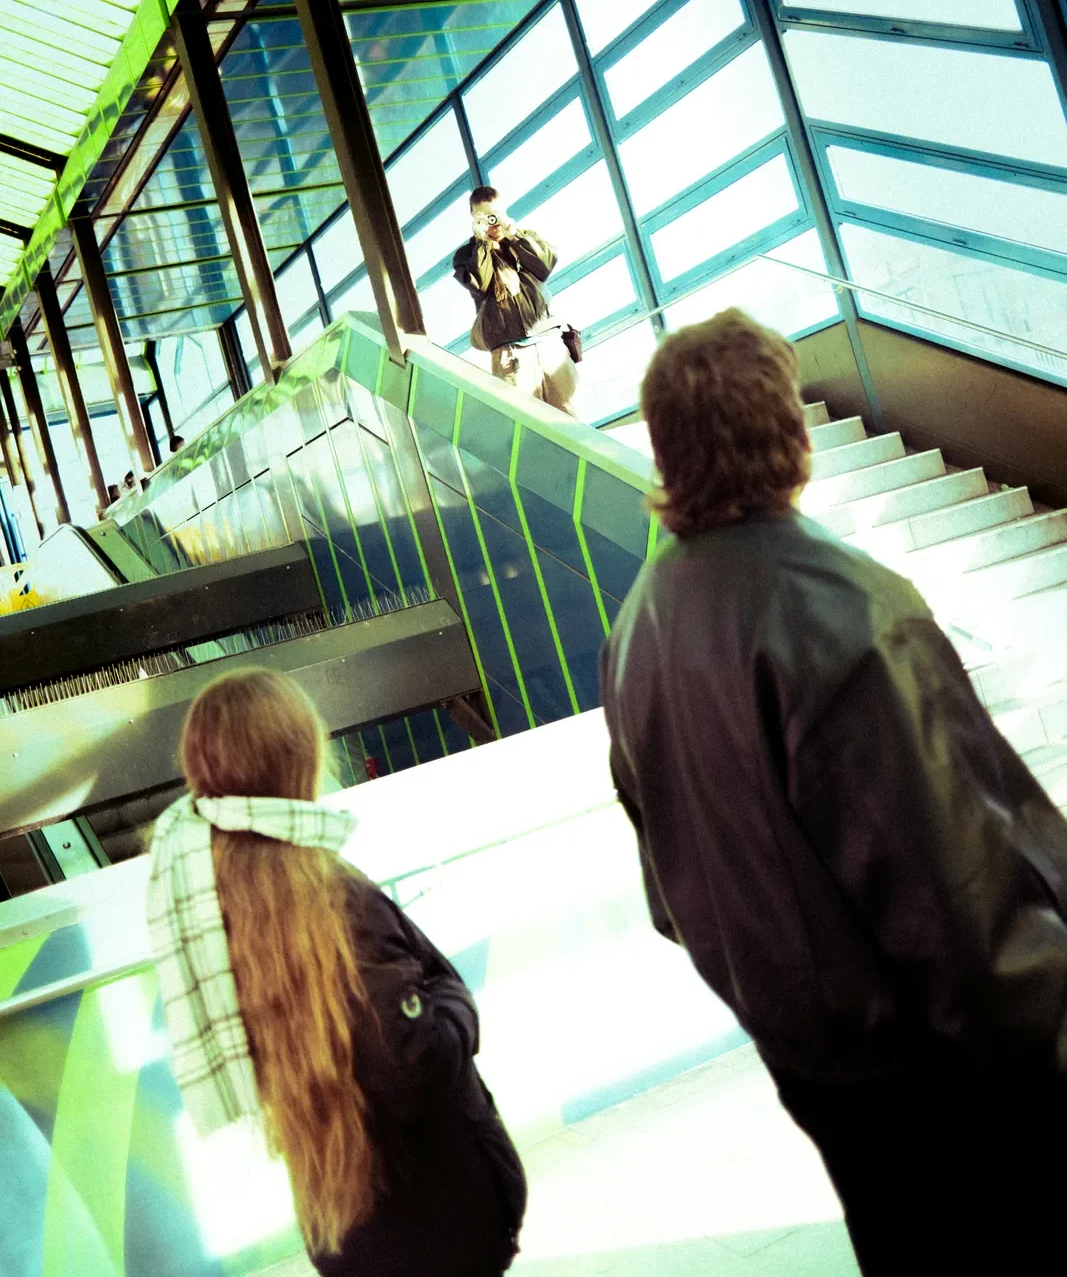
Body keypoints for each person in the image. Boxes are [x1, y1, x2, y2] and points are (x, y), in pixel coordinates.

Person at [599, 308, 1067, 1276]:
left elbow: (668, 892)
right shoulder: (844, 609)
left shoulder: (637, 630)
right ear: (792, 433)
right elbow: (963, 906)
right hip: (948, 1087)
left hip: (814, 1066)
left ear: (665, 452)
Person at [147, 669, 526, 1277]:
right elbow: (412, 1063)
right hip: (436, 1221)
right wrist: (453, 996)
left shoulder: (214, 896)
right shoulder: (325, 900)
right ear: (296, 762)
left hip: (343, 1222)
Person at [453, 185, 579, 415]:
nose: (492, 222)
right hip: (509, 354)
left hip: (548, 341)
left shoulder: (524, 237)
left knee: (572, 420)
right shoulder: (467, 255)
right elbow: (480, 282)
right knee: (528, 427)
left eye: (495, 214)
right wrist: (482, 243)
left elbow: (545, 265)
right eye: (484, 217)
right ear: (473, 218)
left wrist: (514, 235)